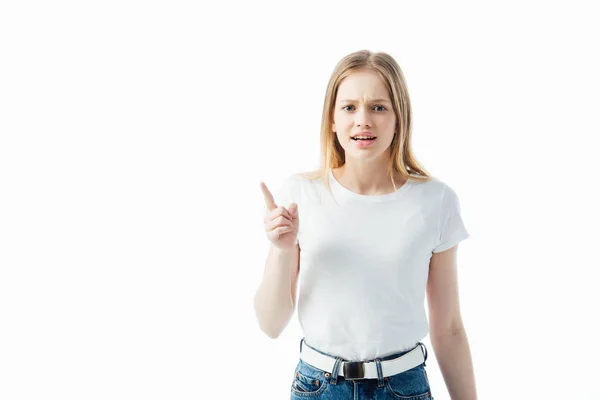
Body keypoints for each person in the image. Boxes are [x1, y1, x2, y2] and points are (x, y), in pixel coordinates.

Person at [254, 50, 477, 399]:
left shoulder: (436, 201)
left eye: (378, 107)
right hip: (319, 388)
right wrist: (282, 251)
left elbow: (448, 329)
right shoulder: (300, 194)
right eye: (349, 107)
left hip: (404, 387)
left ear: (399, 117)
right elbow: (270, 325)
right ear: (332, 119)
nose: (363, 120)